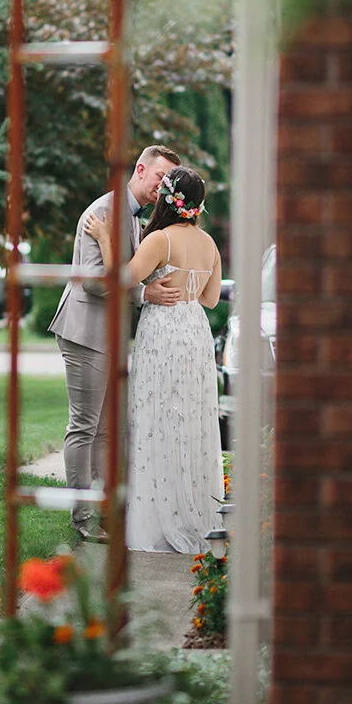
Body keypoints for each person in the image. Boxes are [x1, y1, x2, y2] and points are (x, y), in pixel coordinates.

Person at [85, 165, 224, 554]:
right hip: (195, 332)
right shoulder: (209, 244)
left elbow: (121, 280)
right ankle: (192, 513)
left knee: (156, 421)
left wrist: (105, 239)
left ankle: (160, 524)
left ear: (167, 199)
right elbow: (211, 300)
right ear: (196, 206)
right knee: (189, 420)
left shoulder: (160, 239)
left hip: (163, 333)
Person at [48, 145, 182, 542]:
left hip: (108, 333)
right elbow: (91, 281)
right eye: (161, 179)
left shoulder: (134, 217)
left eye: (169, 182)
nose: (164, 187)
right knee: (85, 427)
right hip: (85, 331)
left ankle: (105, 516)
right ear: (141, 170)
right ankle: (81, 520)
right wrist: (143, 295)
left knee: (108, 430)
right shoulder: (104, 212)